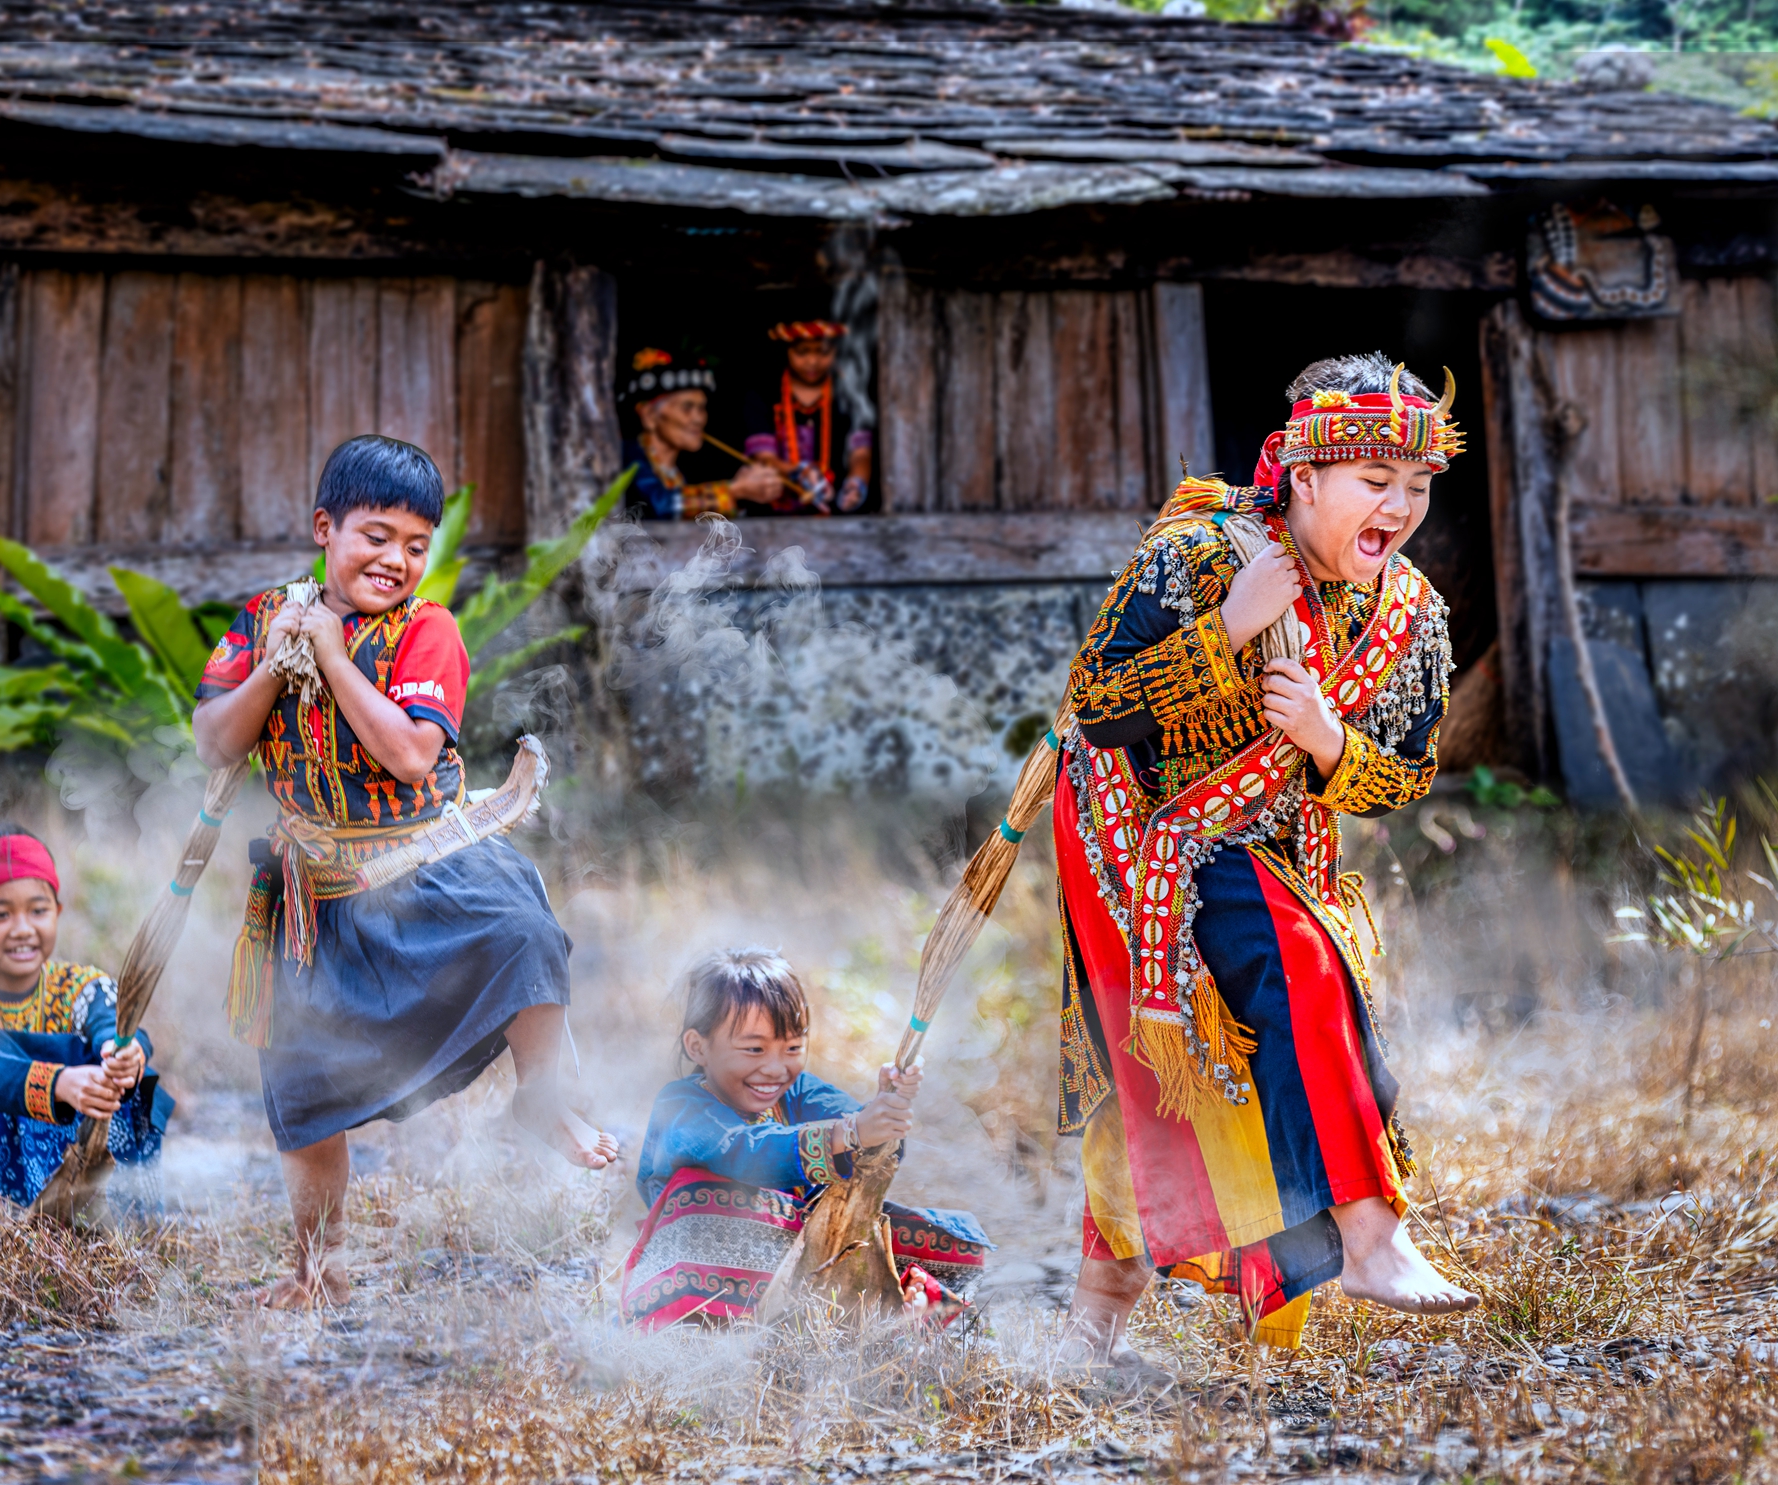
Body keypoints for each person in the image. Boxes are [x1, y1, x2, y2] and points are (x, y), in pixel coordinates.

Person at [1053, 353, 1478, 1371]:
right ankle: (1370, 1235)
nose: (1401, 507)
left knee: (1206, 1079)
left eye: (1417, 487)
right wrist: (1229, 628)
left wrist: (1333, 745)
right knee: (1286, 975)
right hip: (1137, 834)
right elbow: (1092, 705)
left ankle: (1089, 1325)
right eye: (1376, 483)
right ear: (1302, 474)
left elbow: (1410, 771)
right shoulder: (1197, 555)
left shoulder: (1409, 613)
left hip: (1279, 843)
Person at [193, 433, 619, 1309]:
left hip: (429, 863)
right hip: (317, 894)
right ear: (325, 527)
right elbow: (215, 740)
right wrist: (280, 663)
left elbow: (413, 757)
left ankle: (544, 1095)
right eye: (375, 536)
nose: (395, 559)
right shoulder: (263, 615)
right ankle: (317, 1266)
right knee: (304, 1089)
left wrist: (335, 659)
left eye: (416, 546)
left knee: (525, 934)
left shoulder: (428, 631)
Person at [624, 948, 987, 1330]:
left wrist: (883, 1112)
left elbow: (858, 1131)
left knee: (950, 1242)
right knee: (701, 1198)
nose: (776, 1068)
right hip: (709, 1271)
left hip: (794, 1264)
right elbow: (745, 1152)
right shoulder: (681, 1105)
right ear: (698, 1047)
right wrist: (850, 1132)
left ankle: (888, 1307)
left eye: (793, 1048)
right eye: (754, 1049)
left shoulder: (797, 1092)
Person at [0, 827, 170, 1219]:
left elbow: (110, 1021)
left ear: (57, 913)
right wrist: (59, 1084)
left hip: (72, 1156)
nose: (23, 928)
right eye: (0, 914)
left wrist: (123, 1050)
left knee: (118, 1083)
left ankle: (107, 1214)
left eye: (38, 910)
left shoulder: (79, 986)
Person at [617, 347, 781, 519]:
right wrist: (733, 491)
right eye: (687, 408)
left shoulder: (679, 472)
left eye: (702, 408)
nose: (699, 419)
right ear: (649, 416)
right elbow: (658, 505)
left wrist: (743, 496)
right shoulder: (627, 457)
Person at [742, 321, 873, 515]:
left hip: (836, 514)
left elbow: (860, 453)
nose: (813, 361)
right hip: (773, 518)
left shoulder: (849, 393)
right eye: (802, 352)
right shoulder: (763, 393)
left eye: (823, 352)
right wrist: (798, 473)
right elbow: (764, 458)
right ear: (787, 350)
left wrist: (856, 484)